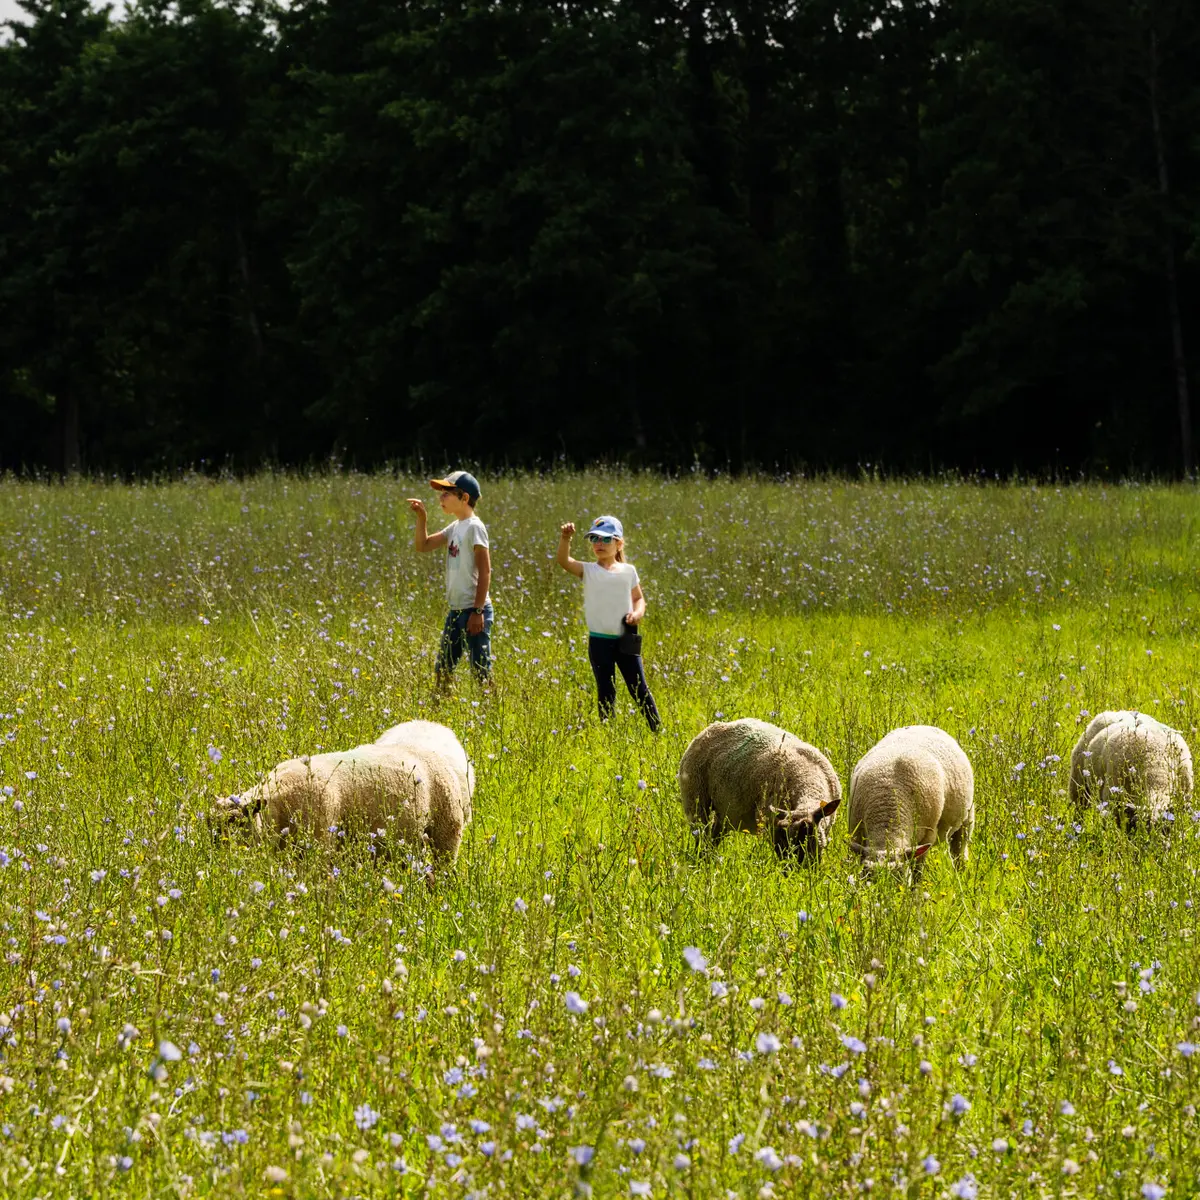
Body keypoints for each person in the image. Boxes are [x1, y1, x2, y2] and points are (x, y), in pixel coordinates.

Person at [556, 514, 661, 731]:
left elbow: (638, 598)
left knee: (638, 687)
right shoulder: (588, 570)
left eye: (605, 539)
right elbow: (564, 561)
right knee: (605, 689)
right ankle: (608, 733)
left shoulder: (628, 571)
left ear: (618, 543)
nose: (599, 544)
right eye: (594, 539)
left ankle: (657, 729)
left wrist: (638, 613)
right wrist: (565, 538)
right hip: (599, 641)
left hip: (626, 638)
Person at [407, 470, 492, 684]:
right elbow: (423, 545)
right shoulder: (455, 527)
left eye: (447, 493)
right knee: (443, 669)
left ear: (464, 498)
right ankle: (440, 703)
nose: (441, 497)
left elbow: (485, 571)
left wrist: (478, 611)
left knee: (480, 672)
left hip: (474, 610)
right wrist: (422, 518)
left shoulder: (475, 527)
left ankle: (489, 704)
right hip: (456, 610)